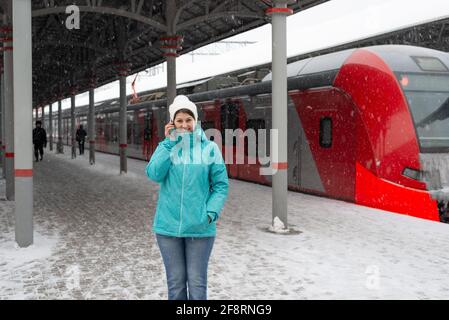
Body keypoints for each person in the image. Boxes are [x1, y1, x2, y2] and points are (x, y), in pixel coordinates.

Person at [146, 95, 228, 300]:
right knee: (176, 286)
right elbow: (154, 174)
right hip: (168, 228)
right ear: (172, 123)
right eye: (179, 120)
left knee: (197, 286)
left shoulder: (210, 148)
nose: (184, 125)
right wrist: (167, 144)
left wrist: (210, 213)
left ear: (195, 121)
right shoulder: (167, 147)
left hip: (200, 228)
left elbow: (220, 185)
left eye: (188, 120)